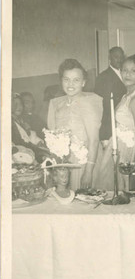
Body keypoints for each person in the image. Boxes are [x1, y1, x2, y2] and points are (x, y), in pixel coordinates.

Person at [93, 54, 135, 192]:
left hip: (132, 152)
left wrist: (134, 172)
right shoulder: (127, 95)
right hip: (120, 147)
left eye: (133, 71)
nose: (127, 74)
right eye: (124, 70)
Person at [47, 59, 102, 190]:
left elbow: (94, 141)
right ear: (61, 81)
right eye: (66, 79)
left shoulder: (88, 103)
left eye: (76, 80)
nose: (70, 84)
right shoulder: (56, 104)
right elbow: (52, 136)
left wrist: (88, 172)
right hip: (63, 162)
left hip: (83, 161)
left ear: (83, 82)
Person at [94, 47, 127, 147]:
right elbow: (102, 105)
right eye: (116, 57)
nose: (119, 60)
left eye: (121, 57)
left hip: (124, 121)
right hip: (110, 123)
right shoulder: (103, 77)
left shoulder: (125, 73)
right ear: (110, 58)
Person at [11, 93, 47, 162]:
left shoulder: (21, 121)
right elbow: (19, 143)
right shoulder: (9, 122)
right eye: (15, 104)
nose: (18, 107)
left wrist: (40, 143)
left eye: (20, 104)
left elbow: (32, 135)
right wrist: (37, 148)